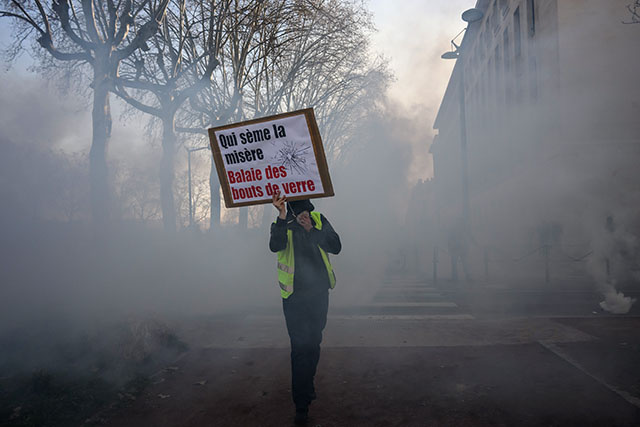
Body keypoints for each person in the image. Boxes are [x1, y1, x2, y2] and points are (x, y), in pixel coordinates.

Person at [269, 192, 341, 425]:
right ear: (289, 209)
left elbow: (336, 246)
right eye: (298, 210)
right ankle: (301, 406)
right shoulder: (283, 223)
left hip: (319, 294)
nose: (303, 214)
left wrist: (311, 229)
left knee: (314, 343)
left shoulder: (318, 220)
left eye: (306, 210)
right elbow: (274, 246)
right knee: (300, 348)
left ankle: (307, 386)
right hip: (294, 296)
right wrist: (281, 216)